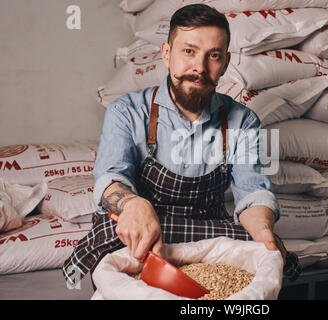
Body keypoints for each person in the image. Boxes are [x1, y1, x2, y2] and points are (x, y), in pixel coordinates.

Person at [63, 3, 301, 286]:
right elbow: (111, 177)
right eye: (188, 51)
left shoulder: (242, 121)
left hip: (208, 229)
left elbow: (251, 192)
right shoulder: (127, 111)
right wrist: (132, 205)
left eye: (212, 56)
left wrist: (262, 232)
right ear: (167, 54)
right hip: (146, 230)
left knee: (267, 247)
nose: (198, 68)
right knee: (110, 229)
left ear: (224, 63)